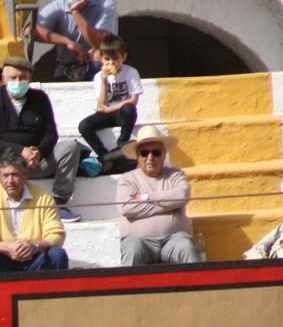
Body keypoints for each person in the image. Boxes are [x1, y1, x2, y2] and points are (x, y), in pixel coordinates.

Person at [0, 55, 81, 222]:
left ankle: (58, 203)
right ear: (4, 79)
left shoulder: (40, 98)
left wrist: (38, 152)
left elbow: (51, 134)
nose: (18, 82)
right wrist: (20, 152)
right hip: (6, 166)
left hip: (37, 163)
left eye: (22, 77)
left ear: (29, 78)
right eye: (13, 78)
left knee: (70, 146)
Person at [116, 126, 202, 267]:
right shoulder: (127, 179)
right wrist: (168, 207)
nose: (150, 158)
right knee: (132, 250)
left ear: (163, 155)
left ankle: (200, 289)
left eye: (156, 153)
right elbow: (126, 207)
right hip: (138, 240)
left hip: (174, 239)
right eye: (144, 153)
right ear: (138, 157)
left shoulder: (175, 174)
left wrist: (145, 197)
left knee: (186, 247)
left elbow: (181, 196)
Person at [0, 149, 68, 274]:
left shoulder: (43, 197)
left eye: (15, 174)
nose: (10, 181)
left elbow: (56, 234)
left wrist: (34, 246)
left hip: (35, 256)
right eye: (5, 176)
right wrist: (8, 247)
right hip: (4, 258)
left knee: (57, 254)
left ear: (25, 175)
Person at [33, 0, 117, 82]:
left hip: (99, 68)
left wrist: (75, 12)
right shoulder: (58, 6)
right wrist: (67, 42)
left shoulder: (105, 0)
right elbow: (30, 30)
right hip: (67, 69)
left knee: (98, 53)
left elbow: (100, 42)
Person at [77, 34, 140, 162]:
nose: (111, 62)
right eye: (107, 59)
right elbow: (101, 105)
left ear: (124, 57)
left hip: (122, 113)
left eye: (115, 58)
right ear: (101, 58)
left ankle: (122, 142)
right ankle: (103, 154)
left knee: (129, 108)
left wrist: (110, 110)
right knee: (84, 126)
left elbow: (133, 100)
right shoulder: (99, 76)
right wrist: (104, 82)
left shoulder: (131, 72)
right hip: (106, 114)